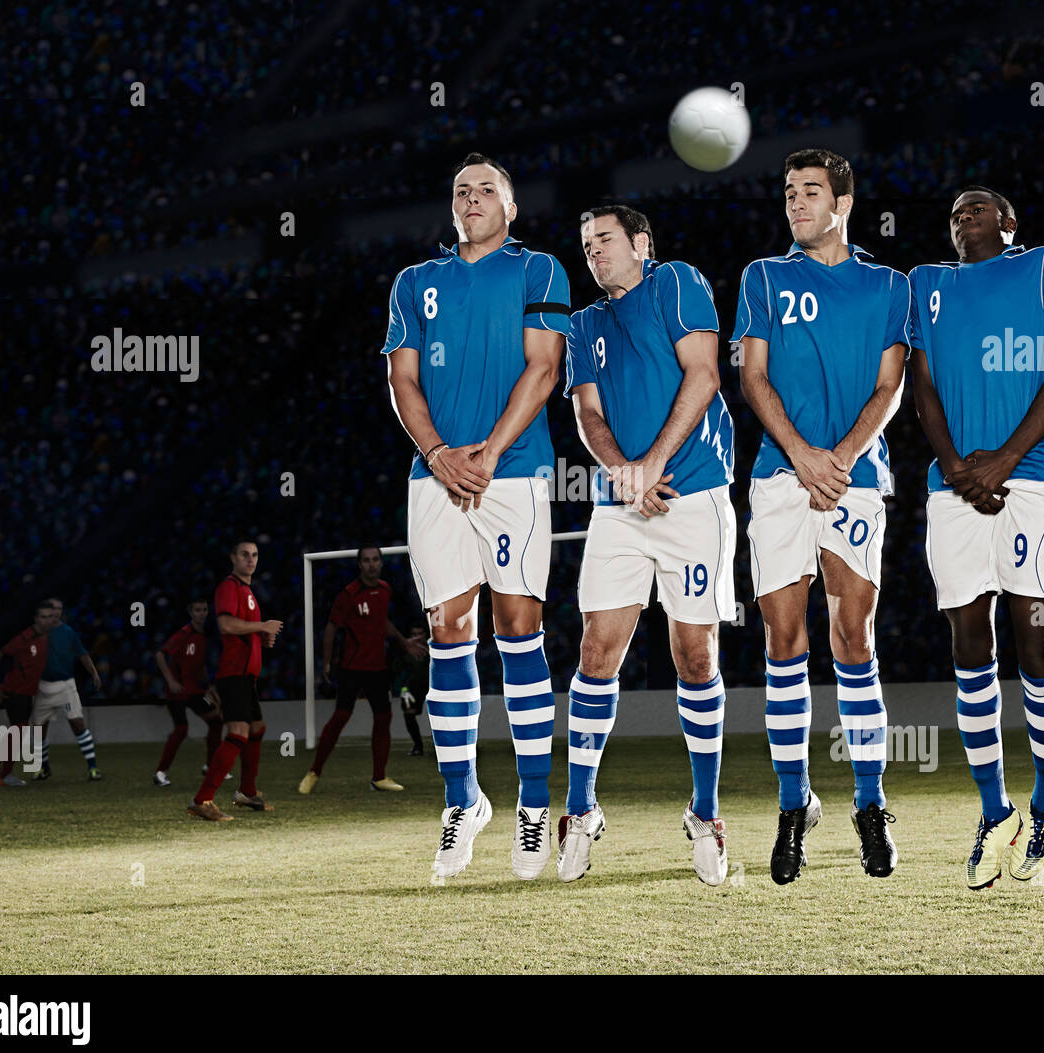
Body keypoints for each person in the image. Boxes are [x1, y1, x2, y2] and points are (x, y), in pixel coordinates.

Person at [383, 153, 570, 879]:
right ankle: (463, 801)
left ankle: (530, 802)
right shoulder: (413, 282)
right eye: (461, 190)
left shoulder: (538, 270)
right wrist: (437, 454)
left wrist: (486, 453)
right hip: (434, 477)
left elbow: (544, 368)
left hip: (512, 473)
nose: (472, 199)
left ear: (511, 207)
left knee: (518, 625)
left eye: (487, 189)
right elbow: (401, 378)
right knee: (446, 631)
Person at [907, 185, 1044, 888]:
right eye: (954, 209)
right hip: (954, 485)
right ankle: (996, 810)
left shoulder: (1043, 265)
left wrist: (1005, 459)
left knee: (1034, 634)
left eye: (979, 206)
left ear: (1009, 224)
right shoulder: (927, 283)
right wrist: (955, 465)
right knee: (967, 642)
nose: (964, 214)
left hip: (1034, 477)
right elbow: (920, 383)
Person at [733, 149, 909, 881]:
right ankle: (791, 804)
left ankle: (869, 804)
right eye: (787, 191)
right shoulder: (764, 277)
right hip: (780, 479)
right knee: (783, 640)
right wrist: (804, 455)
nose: (795, 202)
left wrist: (836, 458)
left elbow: (891, 384)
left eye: (810, 191)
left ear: (843, 200)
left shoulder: (888, 284)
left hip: (856, 479)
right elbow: (752, 374)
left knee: (853, 637)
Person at [558, 204, 737, 886]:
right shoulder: (582, 324)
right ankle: (579, 810)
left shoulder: (678, 282)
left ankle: (705, 812)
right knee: (597, 650)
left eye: (604, 239)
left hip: (692, 496)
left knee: (695, 654)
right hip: (621, 507)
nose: (593, 252)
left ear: (640, 243)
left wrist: (653, 464)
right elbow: (589, 412)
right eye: (585, 244)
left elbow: (704, 375)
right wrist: (620, 472)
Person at [298, 545, 425, 794]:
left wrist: (404, 642)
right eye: (366, 560)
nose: (371, 564)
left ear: (381, 562)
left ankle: (379, 777)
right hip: (352, 668)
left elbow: (382, 622)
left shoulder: (385, 590)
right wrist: (326, 662)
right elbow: (332, 628)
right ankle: (314, 772)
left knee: (384, 718)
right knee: (340, 718)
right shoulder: (349, 594)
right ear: (359, 565)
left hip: (377, 668)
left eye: (375, 559)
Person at [187, 539, 284, 821]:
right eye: (244, 555)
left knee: (256, 729)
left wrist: (262, 637)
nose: (250, 559)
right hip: (233, 674)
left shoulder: (248, 591)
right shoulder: (229, 587)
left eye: (254, 555)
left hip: (246, 674)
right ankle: (202, 800)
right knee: (239, 733)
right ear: (233, 558)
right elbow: (226, 625)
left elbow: (242, 629)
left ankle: (246, 792)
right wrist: (262, 626)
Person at [29, 597, 104, 781]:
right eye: (53, 608)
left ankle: (93, 768)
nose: (57, 611)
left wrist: (94, 673)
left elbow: (82, 654)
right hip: (43, 687)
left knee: (78, 725)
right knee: (40, 730)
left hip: (66, 686)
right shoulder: (37, 633)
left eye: (59, 608)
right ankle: (43, 768)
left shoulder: (68, 632)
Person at [153, 597, 225, 787]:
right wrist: (171, 681)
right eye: (198, 610)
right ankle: (161, 773)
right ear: (191, 613)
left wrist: (208, 685)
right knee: (181, 730)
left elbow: (198, 664)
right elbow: (160, 655)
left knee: (216, 721)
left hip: (195, 690)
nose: (202, 613)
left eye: (204, 610)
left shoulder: (203, 636)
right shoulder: (184, 633)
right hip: (178, 691)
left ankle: (210, 766)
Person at [0, 602, 54, 786]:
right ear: (35, 619)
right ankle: (5, 775)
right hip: (15, 690)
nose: (47, 620)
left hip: (27, 691)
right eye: (43, 616)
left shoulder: (47, 637)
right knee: (19, 730)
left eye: (50, 616)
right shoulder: (25, 637)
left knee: (16, 730)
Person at [394, 622, 430, 756]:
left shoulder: (434, 648)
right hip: (413, 688)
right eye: (414, 634)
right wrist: (403, 689)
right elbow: (398, 671)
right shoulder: (405, 652)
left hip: (434, 685)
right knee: (409, 715)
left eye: (420, 634)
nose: (417, 637)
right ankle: (418, 746)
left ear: (425, 635)